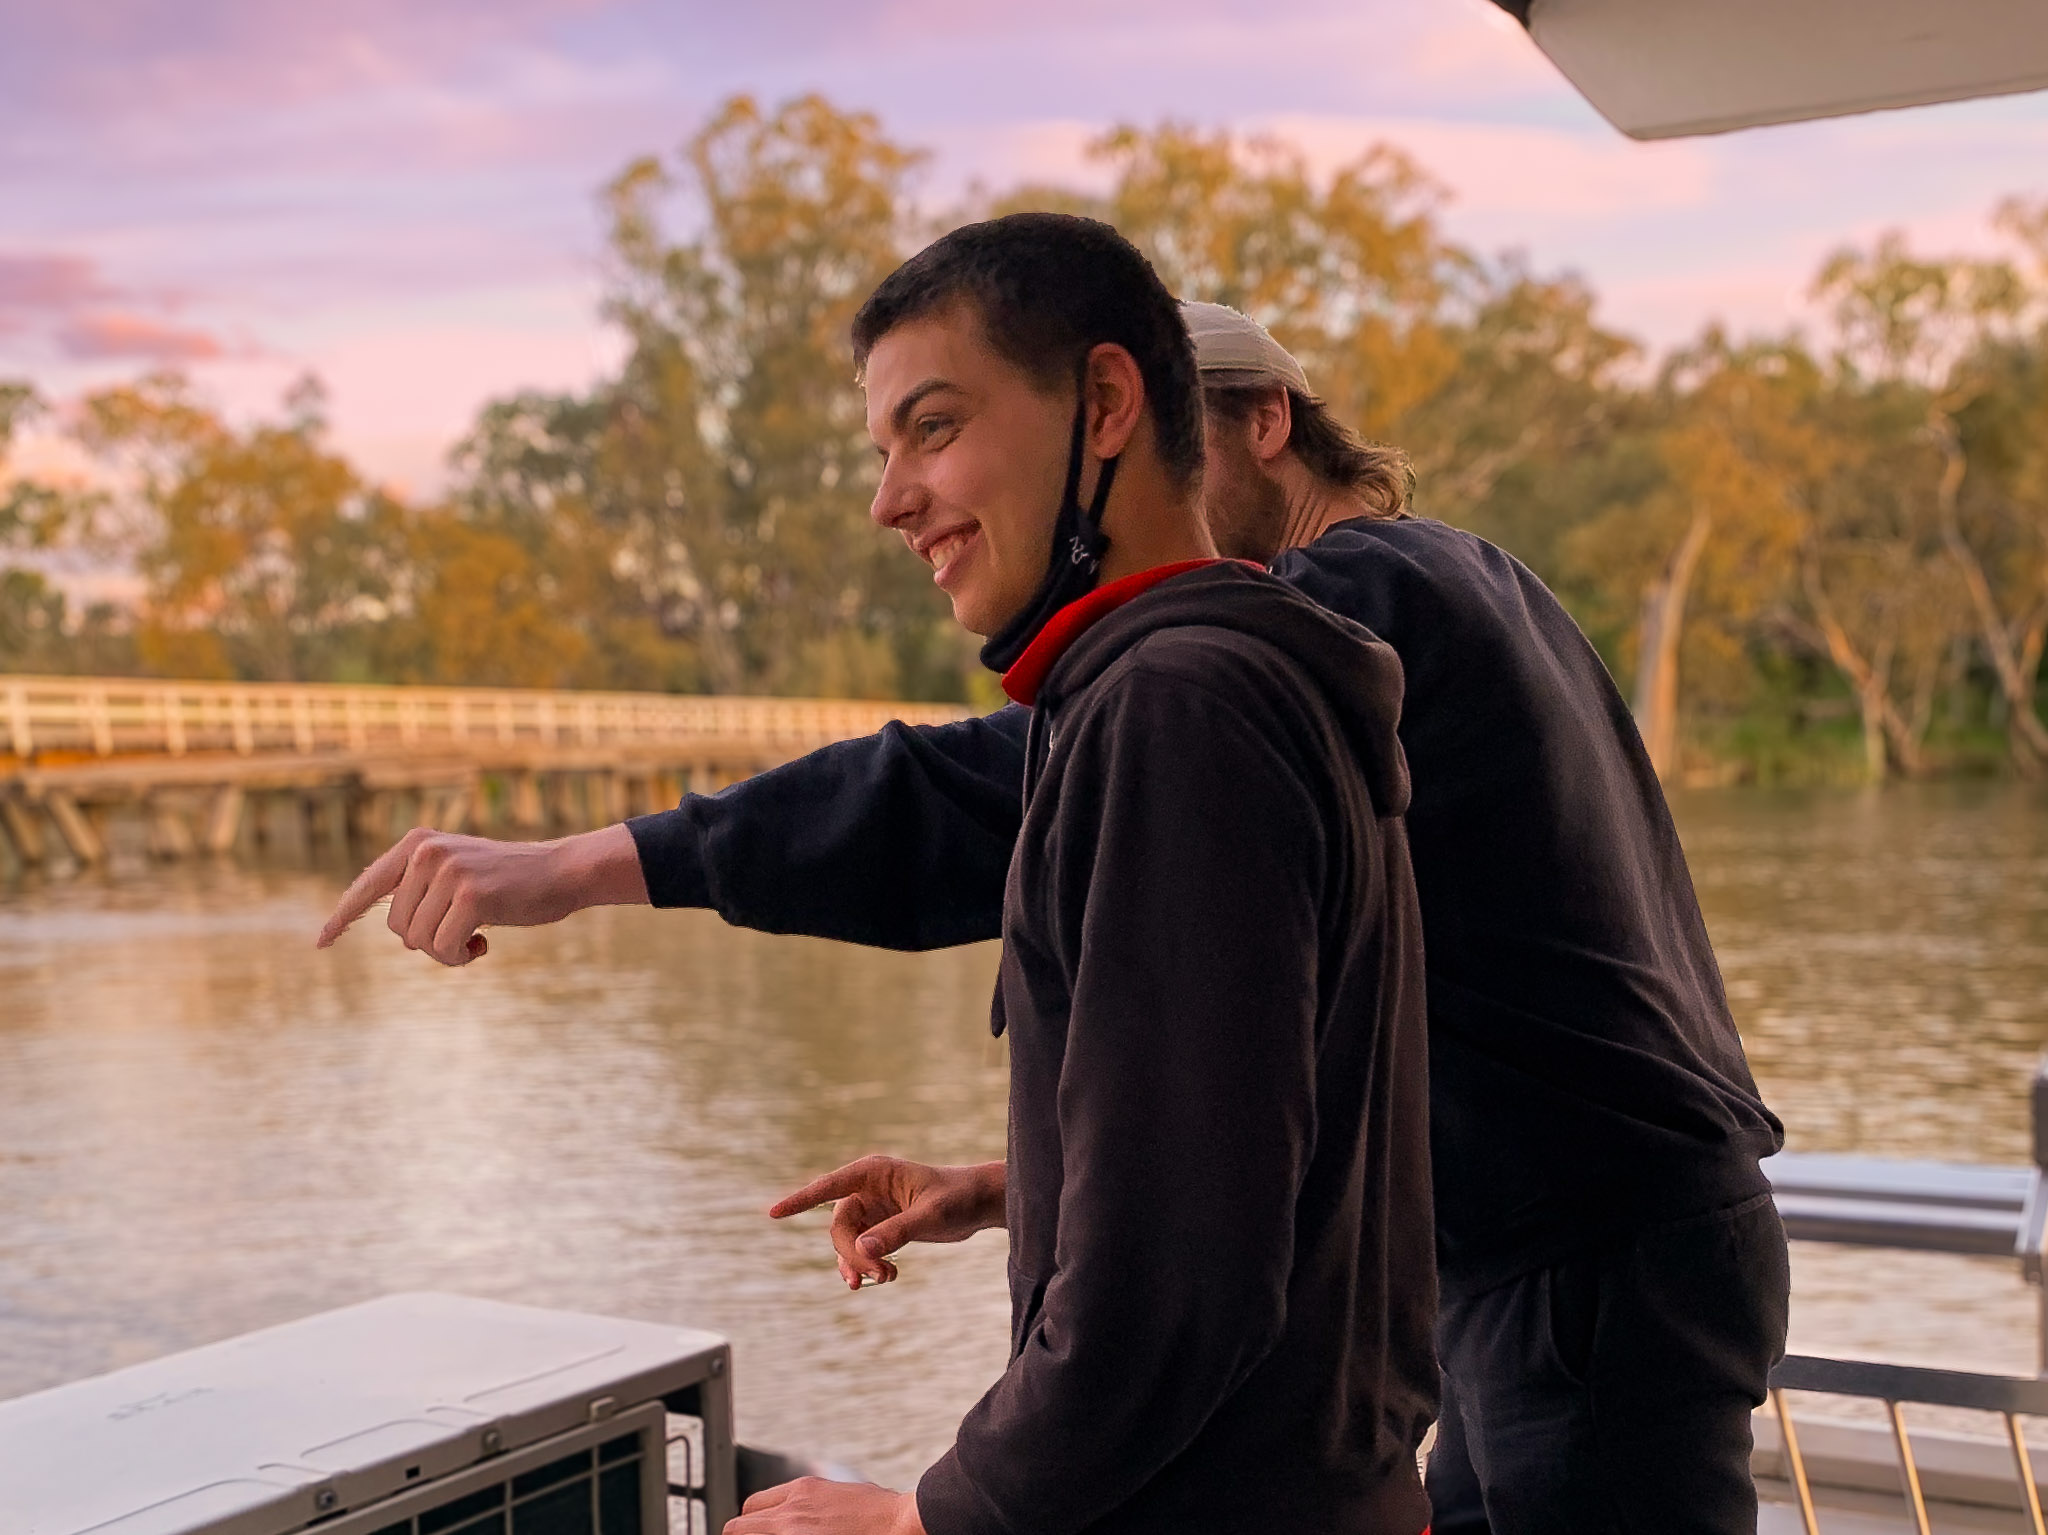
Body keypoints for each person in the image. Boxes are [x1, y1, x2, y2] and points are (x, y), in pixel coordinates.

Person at [320, 299, 1789, 1533]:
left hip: (1586, 1270)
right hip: (1562, 1249)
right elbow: (1321, 1025)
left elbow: (995, 792)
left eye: (1173, 450)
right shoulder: (1445, 584)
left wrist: (594, 865)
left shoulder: (1332, 612)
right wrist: (1026, 1176)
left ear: (1266, 421)